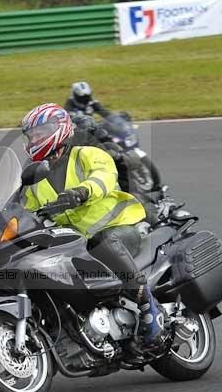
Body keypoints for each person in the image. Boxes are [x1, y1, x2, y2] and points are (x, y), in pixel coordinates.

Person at [21, 103, 165, 348]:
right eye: (31, 135)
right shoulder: (35, 177)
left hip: (120, 228)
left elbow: (104, 177)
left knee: (103, 241)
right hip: (77, 241)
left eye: (40, 132)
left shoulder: (86, 154)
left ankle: (148, 305)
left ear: (59, 128)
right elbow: (25, 209)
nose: (35, 138)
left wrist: (81, 192)